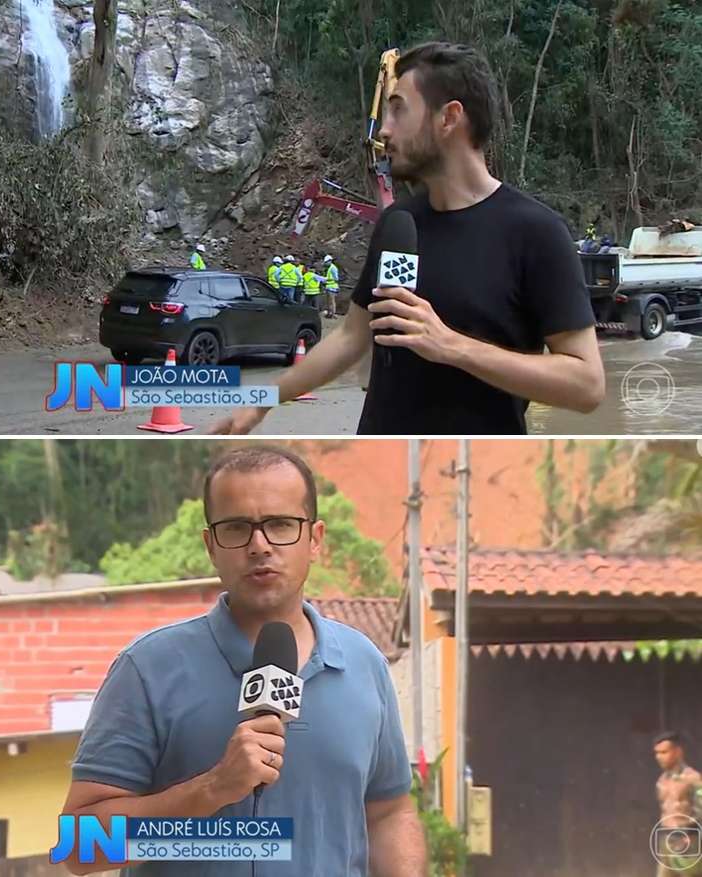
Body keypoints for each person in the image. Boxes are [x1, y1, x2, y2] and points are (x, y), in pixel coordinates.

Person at [60, 446, 426, 877]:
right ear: (211, 545)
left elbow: (389, 813)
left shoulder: (365, 664)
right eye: (237, 528)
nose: (259, 545)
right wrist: (212, 789)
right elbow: (82, 849)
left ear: (316, 540)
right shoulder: (147, 669)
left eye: (280, 525)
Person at [209, 41, 604, 436]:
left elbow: (586, 385)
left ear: (449, 118)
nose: (384, 129)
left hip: (477, 473)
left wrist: (452, 345)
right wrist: (263, 400)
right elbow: (351, 337)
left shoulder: (535, 232)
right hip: (379, 464)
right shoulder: (399, 224)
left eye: (398, 110)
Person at [653, 731, 702, 877]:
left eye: (664, 752)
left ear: (678, 752)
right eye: (657, 753)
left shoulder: (692, 778)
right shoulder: (662, 781)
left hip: (688, 839)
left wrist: (692, 833)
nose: (659, 757)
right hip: (666, 839)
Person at [323, 254, 340, 318]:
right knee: (328, 301)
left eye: (326, 262)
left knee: (331, 301)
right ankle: (329, 313)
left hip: (332, 287)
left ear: (330, 261)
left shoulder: (333, 268)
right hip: (328, 287)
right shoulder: (329, 268)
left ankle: (333, 313)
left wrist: (327, 279)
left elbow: (336, 279)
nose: (325, 263)